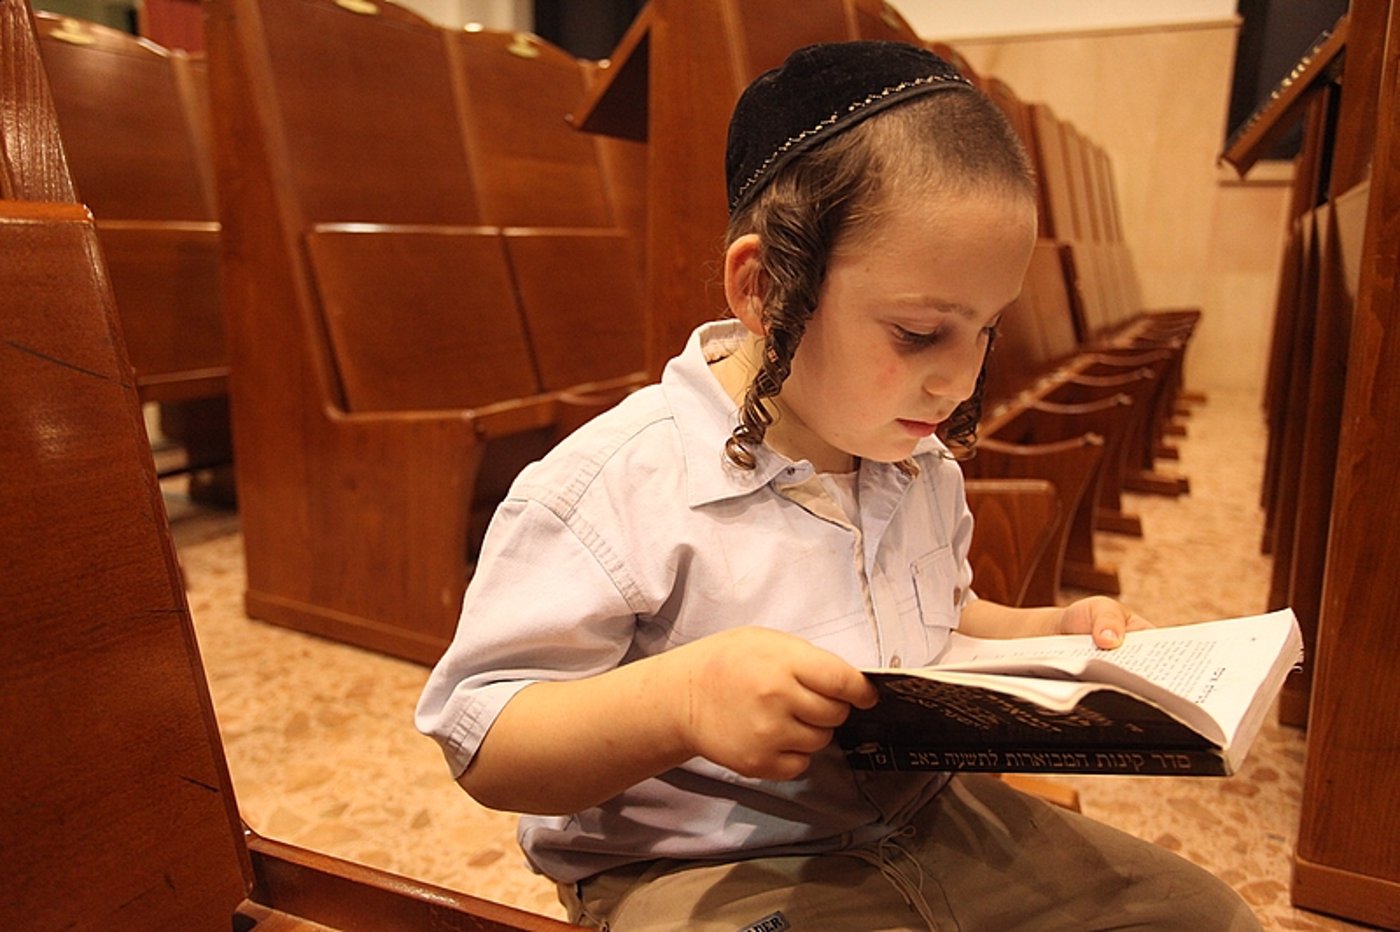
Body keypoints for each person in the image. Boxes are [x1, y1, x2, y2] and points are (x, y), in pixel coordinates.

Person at [417, 40, 1260, 931]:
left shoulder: (914, 461)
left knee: (1207, 918)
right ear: (766, 288)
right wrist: (682, 702)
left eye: (986, 330)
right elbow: (485, 739)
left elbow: (936, 618)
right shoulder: (613, 484)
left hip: (932, 817)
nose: (960, 380)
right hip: (707, 869)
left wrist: (1046, 633)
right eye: (918, 333)